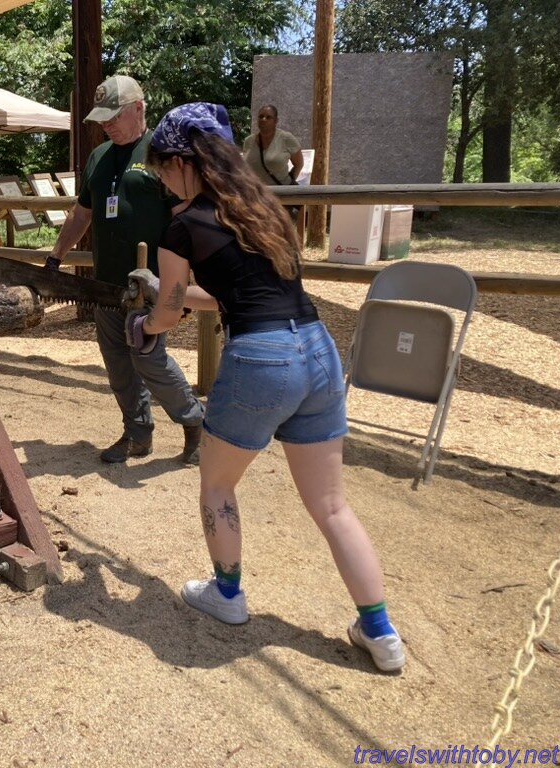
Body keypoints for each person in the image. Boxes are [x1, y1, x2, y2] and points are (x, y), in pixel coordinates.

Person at [133, 102, 404, 672]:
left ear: (184, 161)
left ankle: (227, 594)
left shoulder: (182, 225)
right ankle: (380, 632)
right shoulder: (265, 207)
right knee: (332, 505)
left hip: (260, 358)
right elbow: (236, 294)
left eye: (161, 167)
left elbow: (171, 312)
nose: (161, 179)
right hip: (317, 351)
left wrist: (147, 323)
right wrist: (164, 291)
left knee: (217, 483)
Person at [43, 75, 204, 465]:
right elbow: (82, 214)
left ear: (138, 108)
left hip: (150, 284)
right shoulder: (98, 157)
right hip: (106, 285)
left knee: (150, 360)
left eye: (114, 116)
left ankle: (195, 420)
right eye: (102, 118)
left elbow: (186, 219)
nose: (107, 125)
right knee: (117, 364)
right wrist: (55, 258)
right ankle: (137, 434)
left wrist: (185, 283)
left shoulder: (162, 154)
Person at [242, 104, 304, 188]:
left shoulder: (286, 138)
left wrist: (288, 184)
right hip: (258, 192)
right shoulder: (248, 141)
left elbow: (299, 164)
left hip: (281, 192)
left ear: (276, 121)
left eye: (268, 117)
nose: (264, 119)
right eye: (261, 116)